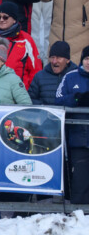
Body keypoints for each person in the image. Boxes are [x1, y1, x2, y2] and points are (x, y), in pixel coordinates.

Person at [55, 44, 89, 205]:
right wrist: (76, 98)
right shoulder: (70, 77)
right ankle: (78, 215)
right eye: (87, 58)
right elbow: (58, 99)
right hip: (78, 139)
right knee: (79, 180)